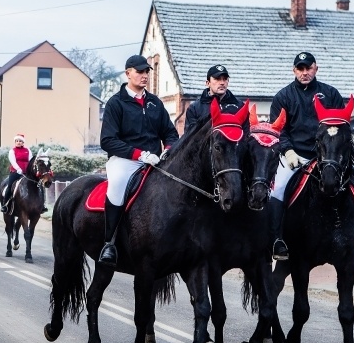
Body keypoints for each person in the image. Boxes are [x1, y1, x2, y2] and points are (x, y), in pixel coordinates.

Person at [269, 52, 354, 260]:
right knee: (279, 188)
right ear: (294, 71)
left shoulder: (331, 94)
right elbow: (279, 130)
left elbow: (342, 127)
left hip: (328, 157)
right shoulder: (283, 97)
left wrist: (338, 154)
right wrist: (288, 151)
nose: (304, 72)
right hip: (296, 156)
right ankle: (277, 240)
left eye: (308, 68)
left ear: (315, 68)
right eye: (300, 69)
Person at [98, 55, 179, 267]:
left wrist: (168, 150)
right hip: (124, 160)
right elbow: (107, 140)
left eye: (146, 72)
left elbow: (170, 133)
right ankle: (110, 243)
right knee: (116, 186)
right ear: (128, 73)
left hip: (155, 160)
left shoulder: (155, 103)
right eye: (140, 72)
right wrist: (138, 155)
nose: (144, 76)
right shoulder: (116, 103)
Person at [184, 64, 247, 133]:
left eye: (225, 79)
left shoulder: (240, 106)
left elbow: (246, 135)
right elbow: (190, 138)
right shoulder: (195, 108)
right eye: (217, 79)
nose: (222, 83)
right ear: (208, 83)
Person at [0, 134, 32, 214]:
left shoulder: (27, 150)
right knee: (10, 186)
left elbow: (30, 160)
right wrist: (18, 169)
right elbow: (13, 161)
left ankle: (41, 205)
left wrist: (29, 170)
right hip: (16, 172)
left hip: (26, 172)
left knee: (36, 185)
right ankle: (5, 204)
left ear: (23, 142)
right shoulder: (12, 151)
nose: (18, 142)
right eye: (17, 141)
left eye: (20, 141)